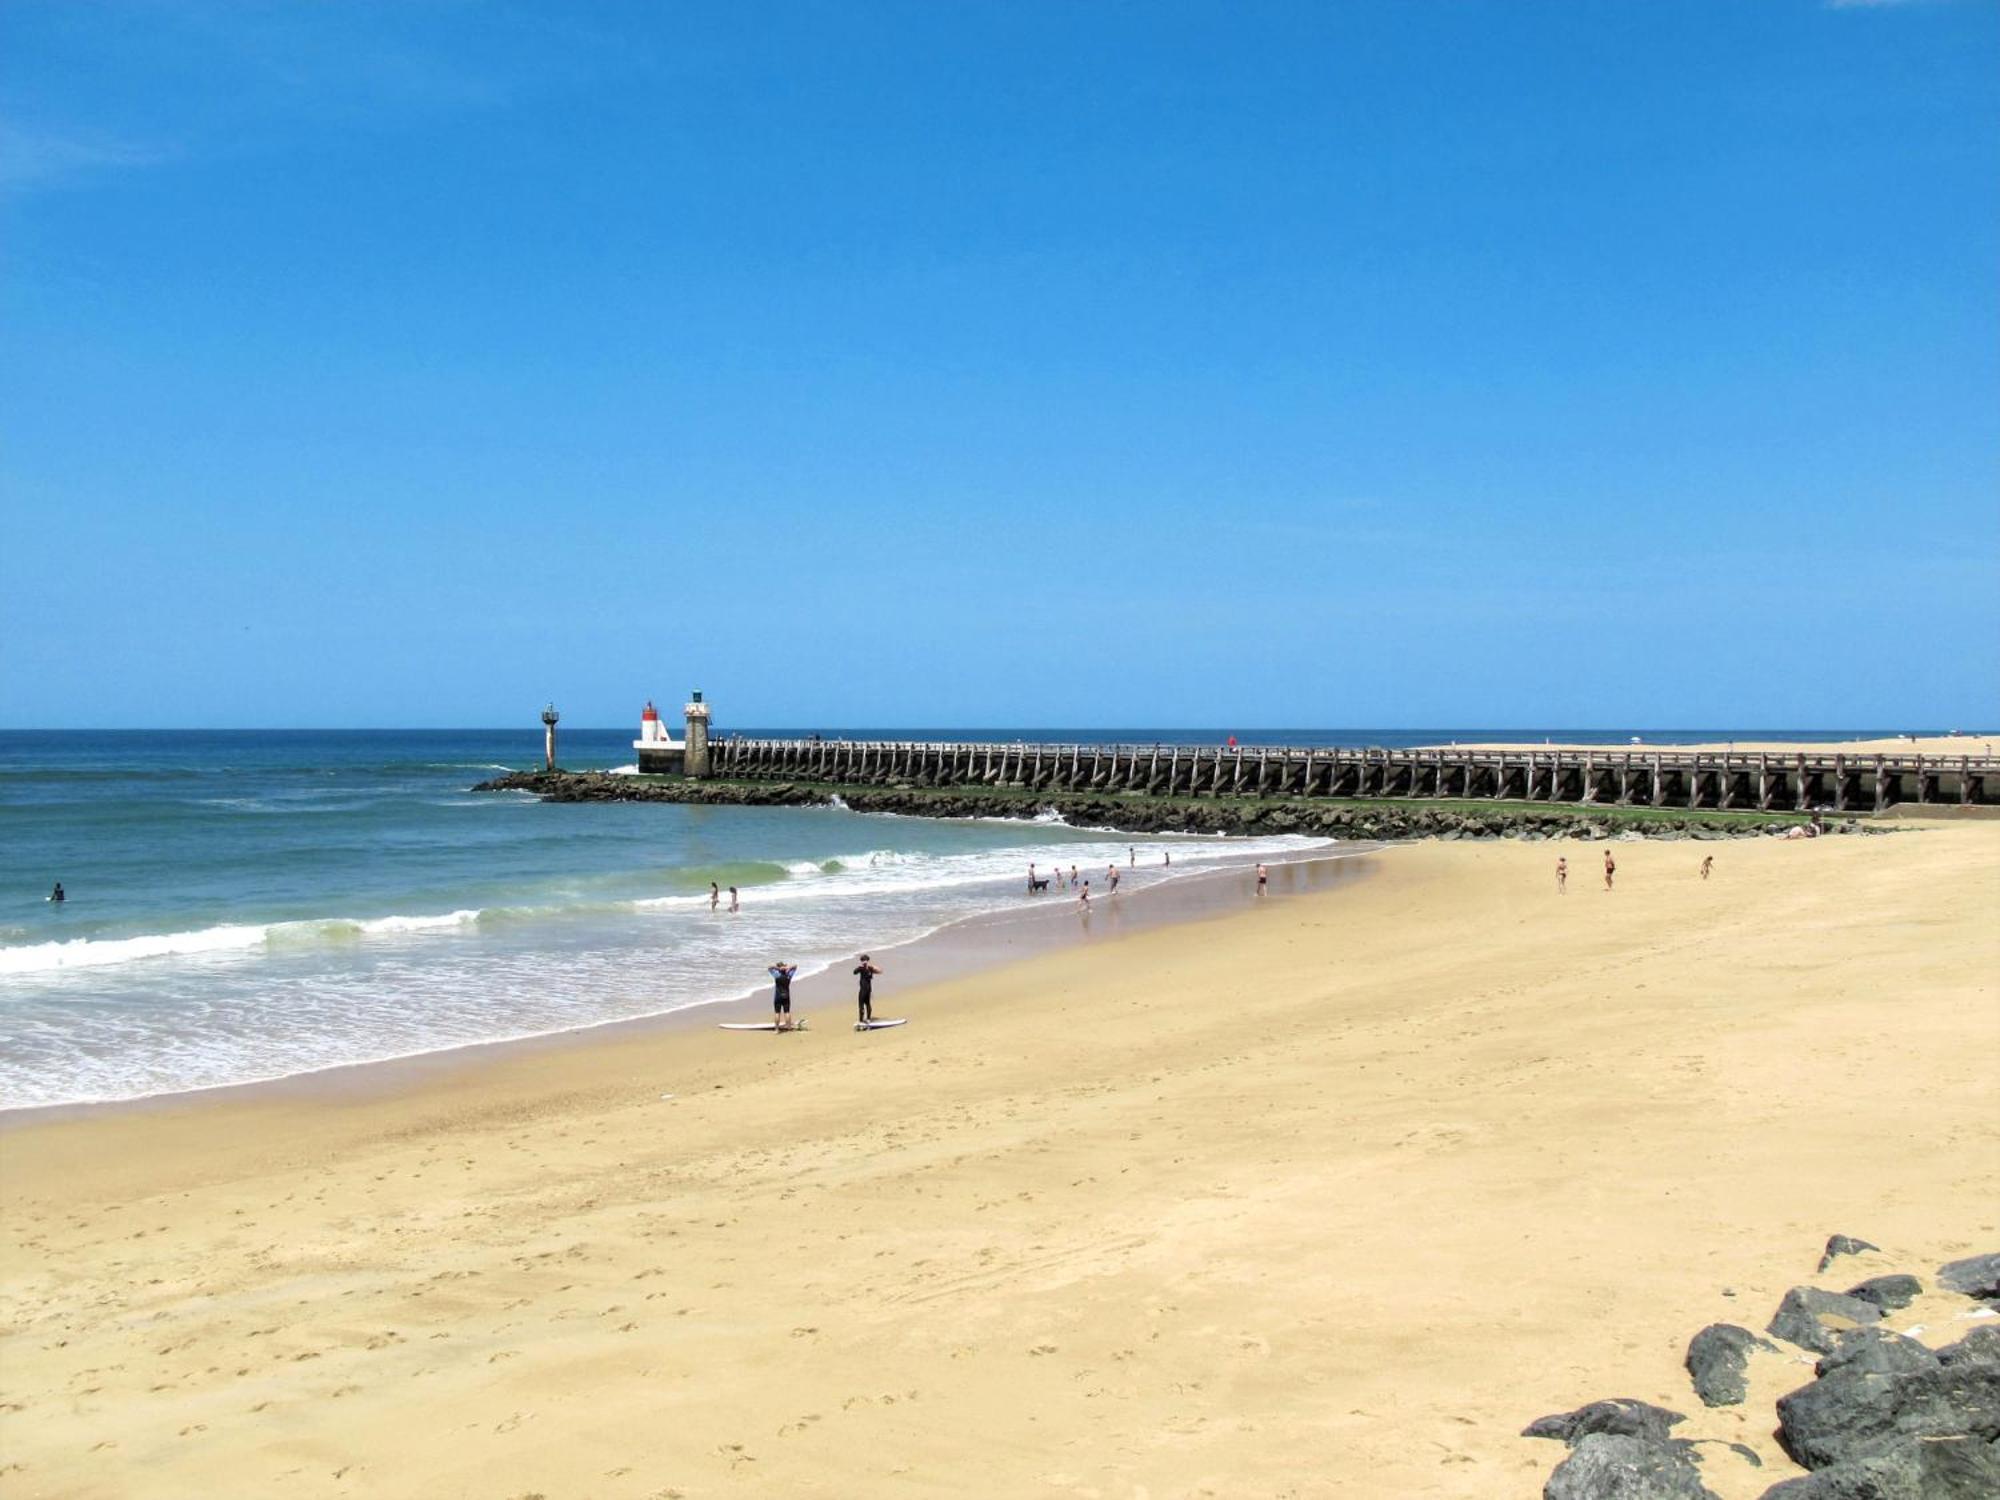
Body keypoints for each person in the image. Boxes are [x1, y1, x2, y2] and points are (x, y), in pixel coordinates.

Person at [852, 954, 882, 1025]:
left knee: (861, 1005)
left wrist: (861, 967)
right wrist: (872, 967)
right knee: (868, 1004)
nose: (863, 962)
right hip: (869, 989)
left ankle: (861, 1021)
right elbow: (880, 971)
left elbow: (854, 972)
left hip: (863, 990)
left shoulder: (862, 968)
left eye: (863, 961)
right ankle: (868, 1019)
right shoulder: (869, 968)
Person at [768, 962, 798, 1029]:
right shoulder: (789, 975)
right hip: (786, 996)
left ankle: (777, 1029)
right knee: (787, 1012)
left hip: (778, 996)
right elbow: (795, 966)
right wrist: (788, 968)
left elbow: (769, 967)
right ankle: (789, 1027)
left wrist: (778, 968)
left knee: (777, 1013)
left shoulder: (776, 975)